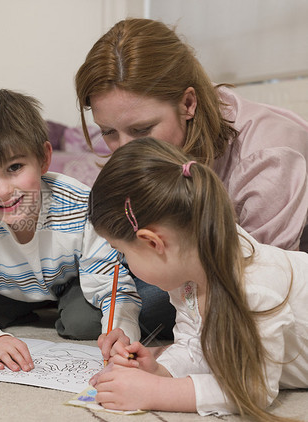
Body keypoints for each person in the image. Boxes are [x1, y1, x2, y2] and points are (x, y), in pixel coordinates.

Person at [75, 17, 308, 340]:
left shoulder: (269, 156)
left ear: (188, 103)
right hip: (192, 255)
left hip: (263, 271)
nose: (125, 149)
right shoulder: (155, 144)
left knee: (153, 301)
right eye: (109, 133)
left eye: (142, 130)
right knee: (99, 294)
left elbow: (255, 283)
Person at [87, 137, 308, 420]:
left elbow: (253, 387)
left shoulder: (254, 287)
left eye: (122, 252)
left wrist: (154, 391)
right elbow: (195, 345)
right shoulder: (190, 267)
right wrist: (160, 369)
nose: (124, 264)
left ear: (153, 243)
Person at [0, 88, 141, 372]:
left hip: (71, 280)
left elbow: (111, 286)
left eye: (15, 167)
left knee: (84, 322)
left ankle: (56, 307)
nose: (3, 190)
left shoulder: (81, 205)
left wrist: (121, 329)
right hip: (5, 288)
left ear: (44, 158)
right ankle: (4, 306)